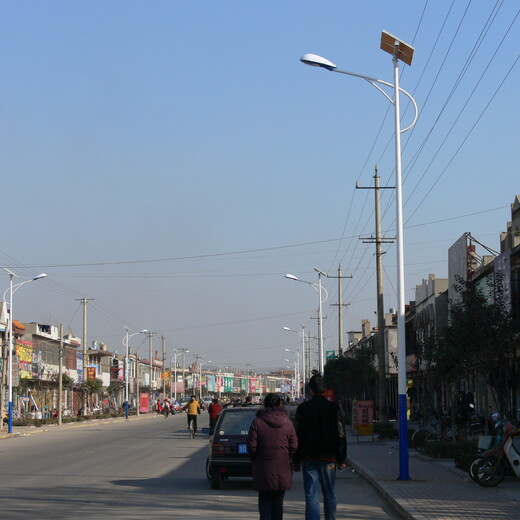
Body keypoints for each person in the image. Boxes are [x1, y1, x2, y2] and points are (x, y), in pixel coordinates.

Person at [293, 374, 347, 520]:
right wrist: (342, 458)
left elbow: (296, 435)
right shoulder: (334, 408)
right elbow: (341, 434)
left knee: (311, 494)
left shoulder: (302, 409)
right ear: (325, 389)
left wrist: (296, 459)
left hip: (308, 456)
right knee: (329, 492)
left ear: (311, 390)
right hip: (329, 457)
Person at [246, 393, 298, 520]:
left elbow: (251, 444)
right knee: (278, 502)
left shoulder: (257, 422)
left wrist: (254, 458)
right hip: (282, 468)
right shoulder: (287, 423)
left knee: (264, 501)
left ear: (265, 405)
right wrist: (286, 456)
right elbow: (294, 444)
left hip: (263, 468)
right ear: (279, 404)